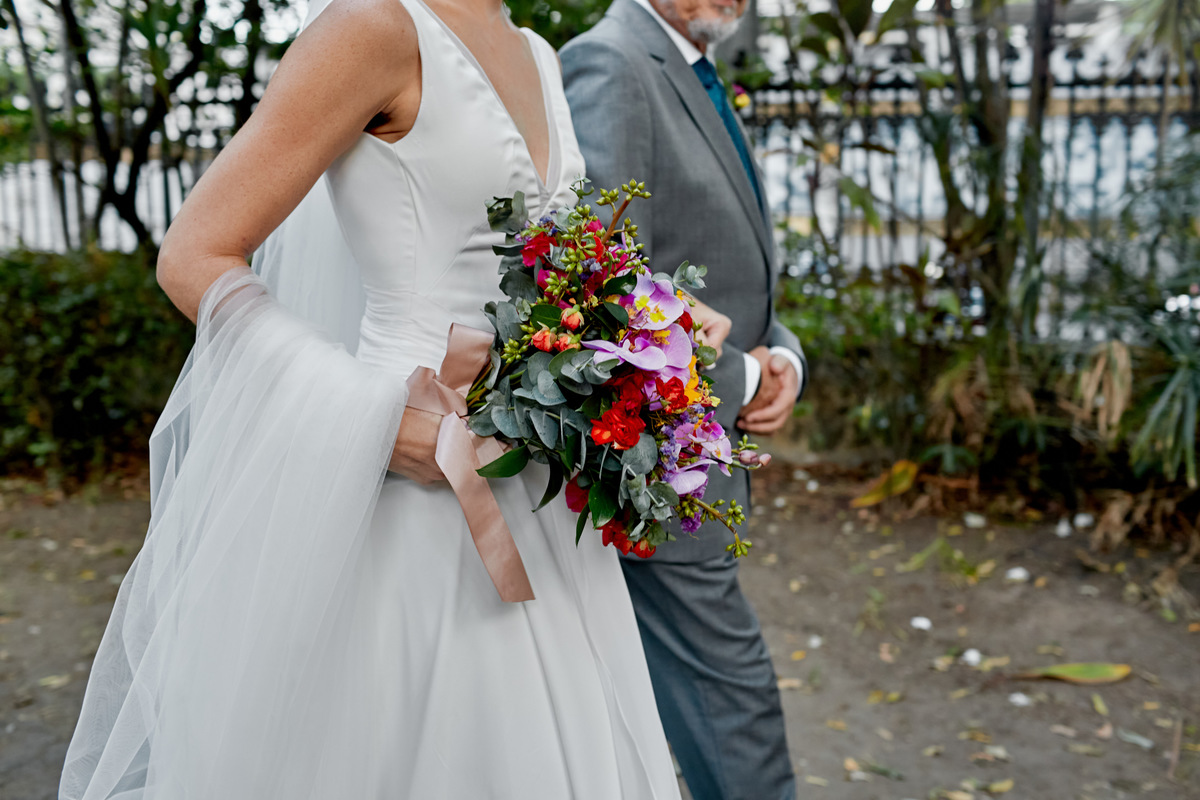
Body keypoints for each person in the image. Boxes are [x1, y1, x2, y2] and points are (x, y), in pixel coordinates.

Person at [58, 0, 690, 796]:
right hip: (407, 491)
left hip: (533, 485)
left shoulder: (539, 52)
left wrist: (627, 352)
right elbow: (195, 253)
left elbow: (548, 275)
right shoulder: (373, 29)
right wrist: (371, 419)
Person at [562, 1, 806, 798]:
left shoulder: (691, 68)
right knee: (734, 712)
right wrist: (737, 380)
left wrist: (783, 364)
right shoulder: (614, 63)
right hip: (658, 459)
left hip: (696, 444)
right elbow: (603, 280)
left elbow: (719, 260)